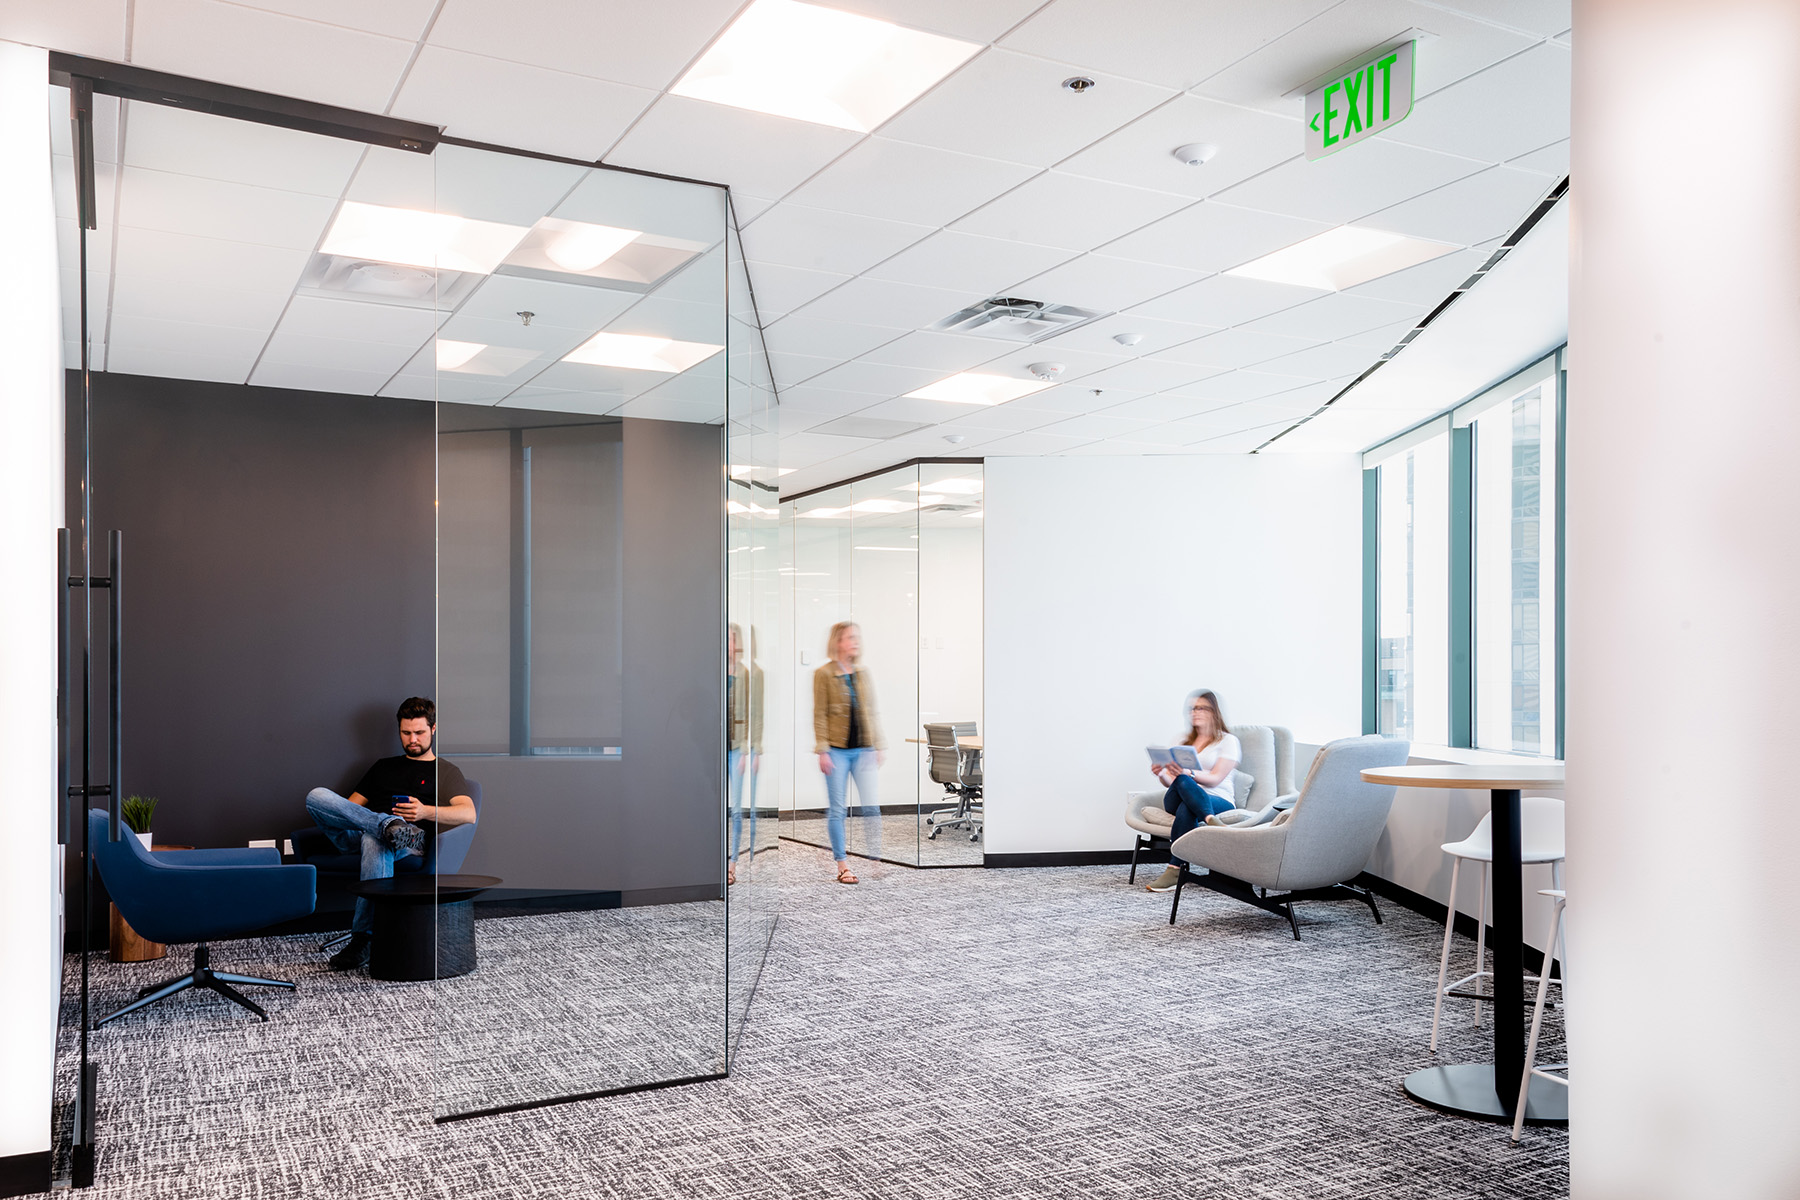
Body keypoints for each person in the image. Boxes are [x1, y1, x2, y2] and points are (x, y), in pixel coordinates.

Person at [305, 697, 477, 969]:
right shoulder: (382, 767)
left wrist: (423, 812)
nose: (412, 739)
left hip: (412, 840)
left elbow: (468, 813)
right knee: (316, 796)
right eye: (406, 733)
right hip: (362, 833)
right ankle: (385, 825)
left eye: (419, 732)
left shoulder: (445, 771)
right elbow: (348, 809)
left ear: (433, 729)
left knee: (378, 839)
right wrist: (376, 822)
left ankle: (364, 937)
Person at [1144, 690, 1241, 893]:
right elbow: (1171, 782)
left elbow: (1215, 779)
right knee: (1181, 780)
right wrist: (1161, 773)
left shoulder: (1227, 741)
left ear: (1214, 712)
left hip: (1218, 799)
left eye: (1201, 708)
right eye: (1193, 708)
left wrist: (1189, 772)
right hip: (1179, 795)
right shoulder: (1181, 740)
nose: (1195, 712)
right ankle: (1209, 818)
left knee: (1186, 807)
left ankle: (1174, 869)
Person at [813, 621, 884, 884]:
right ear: (838, 642)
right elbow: (819, 714)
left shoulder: (862, 673)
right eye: (849, 637)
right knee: (837, 809)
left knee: (872, 808)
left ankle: (875, 858)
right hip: (836, 750)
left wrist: (878, 744)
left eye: (857, 637)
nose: (855, 641)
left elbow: (872, 712)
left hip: (863, 747)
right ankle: (842, 865)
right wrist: (822, 749)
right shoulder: (824, 674)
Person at [727, 623, 764, 886]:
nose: (731, 644)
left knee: (737, 809)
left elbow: (756, 715)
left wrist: (752, 749)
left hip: (739, 749)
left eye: (733, 639)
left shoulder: (752, 674)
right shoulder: (711, 669)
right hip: (714, 747)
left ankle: (732, 864)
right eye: (727, 639)